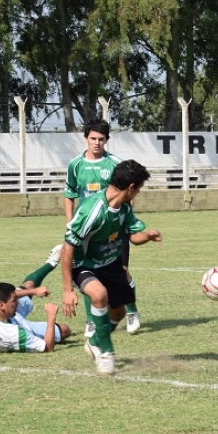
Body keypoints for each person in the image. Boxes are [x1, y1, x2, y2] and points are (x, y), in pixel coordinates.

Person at [61, 160, 162, 375]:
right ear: (131, 187)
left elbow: (133, 237)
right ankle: (106, 353)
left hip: (111, 263)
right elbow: (67, 248)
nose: (138, 194)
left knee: (118, 313)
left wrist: (147, 236)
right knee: (99, 295)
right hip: (84, 265)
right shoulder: (92, 211)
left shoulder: (124, 208)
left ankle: (94, 342)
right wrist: (68, 290)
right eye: (139, 189)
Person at [63, 119, 144, 335]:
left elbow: (127, 195)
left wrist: (126, 219)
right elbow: (69, 194)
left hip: (115, 226)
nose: (97, 143)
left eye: (101, 139)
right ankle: (92, 321)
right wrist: (70, 222)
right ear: (85, 138)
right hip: (89, 229)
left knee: (122, 271)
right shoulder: (75, 165)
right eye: (93, 138)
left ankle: (131, 311)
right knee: (89, 274)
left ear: (106, 140)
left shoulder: (115, 163)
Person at [0, 281, 72, 353]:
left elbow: (8, 295)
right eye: (14, 301)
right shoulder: (15, 334)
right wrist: (51, 316)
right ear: (1, 305)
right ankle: (53, 262)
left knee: (28, 286)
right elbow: (48, 348)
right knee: (65, 329)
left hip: (8, 319)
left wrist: (34, 291)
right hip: (20, 327)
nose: (18, 302)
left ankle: (51, 262)